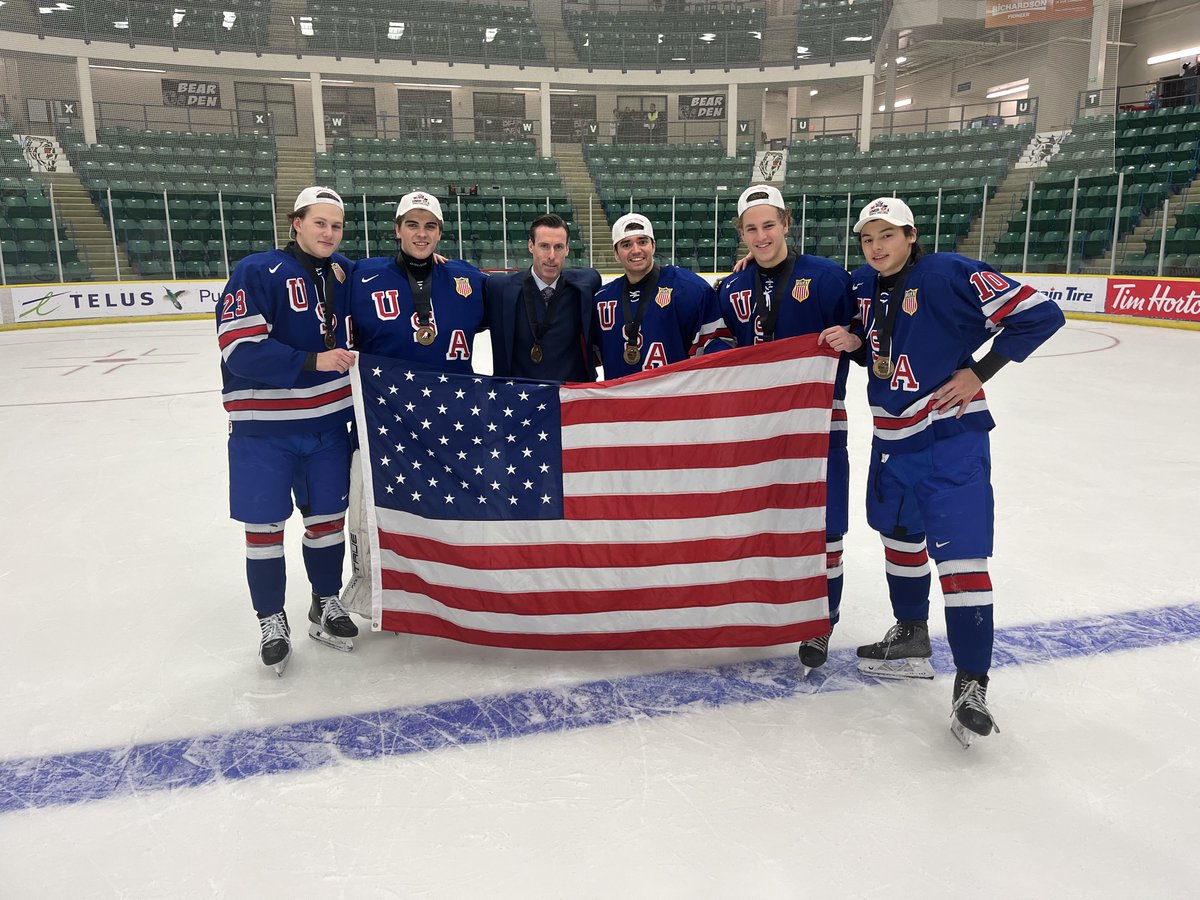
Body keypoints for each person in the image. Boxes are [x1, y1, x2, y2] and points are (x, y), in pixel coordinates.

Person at [818, 196, 1065, 747]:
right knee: (900, 541)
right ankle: (910, 635)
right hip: (891, 439)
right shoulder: (863, 284)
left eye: (888, 235)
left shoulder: (951, 272)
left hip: (950, 438)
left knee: (961, 556)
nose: (877, 247)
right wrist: (858, 343)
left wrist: (979, 373)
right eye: (867, 238)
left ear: (911, 234)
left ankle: (972, 682)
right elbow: (875, 343)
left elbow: (1041, 314)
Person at [215, 186, 359, 676]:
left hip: (328, 426)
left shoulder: (343, 272)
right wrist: (313, 360)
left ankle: (325, 600)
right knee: (265, 529)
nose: (329, 233)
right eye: (320, 223)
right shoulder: (257, 270)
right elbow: (238, 348)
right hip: (265, 431)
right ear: (296, 223)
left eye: (336, 225)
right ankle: (271, 617)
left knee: (326, 523)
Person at [716, 184, 855, 675]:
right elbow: (721, 352)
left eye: (768, 225)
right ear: (741, 234)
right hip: (757, 431)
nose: (761, 236)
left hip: (819, 424)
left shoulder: (827, 276)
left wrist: (855, 338)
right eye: (751, 229)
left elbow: (870, 329)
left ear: (786, 224)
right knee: (758, 524)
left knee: (826, 527)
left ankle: (823, 619)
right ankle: (760, 608)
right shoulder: (731, 289)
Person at [348, 191, 486, 373]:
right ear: (398, 229)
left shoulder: (469, 278)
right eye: (412, 225)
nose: (422, 234)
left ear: (439, 233)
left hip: (454, 397)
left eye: (430, 227)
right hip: (385, 397)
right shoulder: (362, 275)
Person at [592, 212, 727, 377]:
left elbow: (717, 353)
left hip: (674, 400)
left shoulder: (689, 289)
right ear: (615, 252)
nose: (636, 250)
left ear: (653, 246)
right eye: (626, 244)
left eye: (642, 242)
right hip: (622, 402)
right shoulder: (602, 300)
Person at [484, 212, 601, 382]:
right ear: (531, 246)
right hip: (518, 399)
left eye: (559, 247)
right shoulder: (500, 289)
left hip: (570, 399)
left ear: (567, 249)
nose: (552, 256)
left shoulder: (584, 284)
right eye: (544, 246)